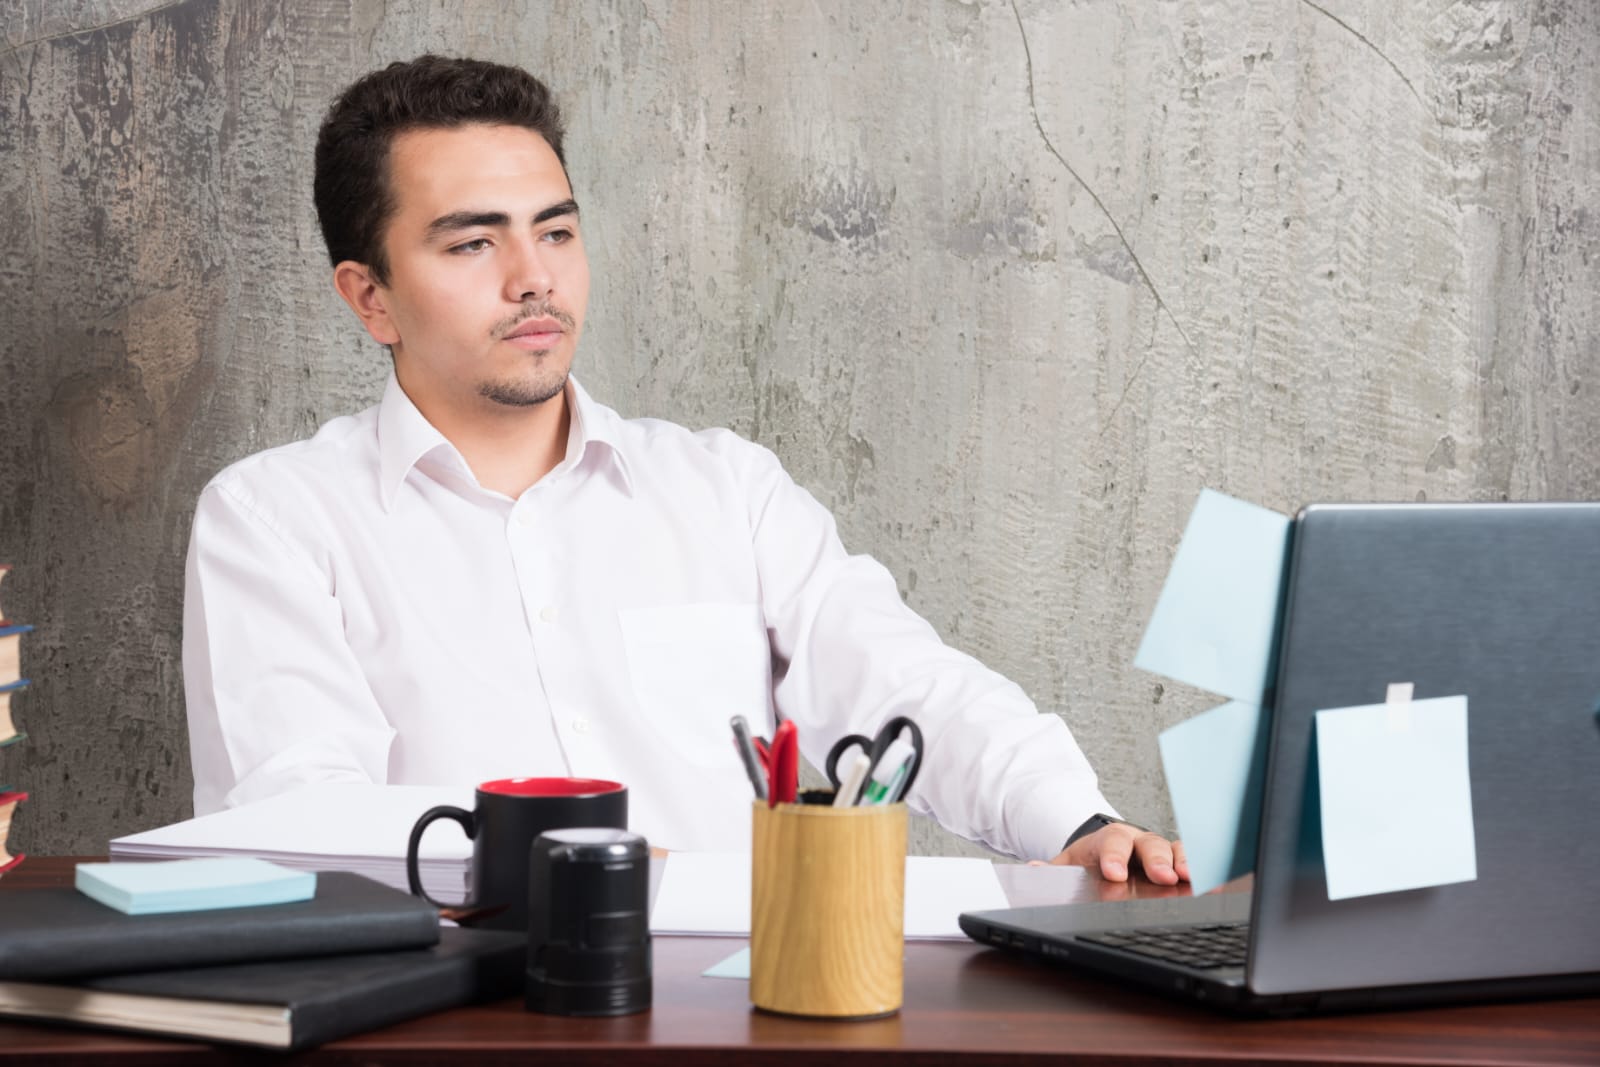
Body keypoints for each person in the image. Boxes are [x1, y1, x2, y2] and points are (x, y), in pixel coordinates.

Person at [182, 55, 1187, 883]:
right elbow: (300, 809)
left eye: (557, 231)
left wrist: (1074, 821)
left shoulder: (724, 491)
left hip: (734, 1008)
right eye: (473, 242)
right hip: (447, 1006)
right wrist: (561, 862)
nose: (533, 275)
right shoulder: (277, 517)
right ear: (371, 299)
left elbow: (903, 683)